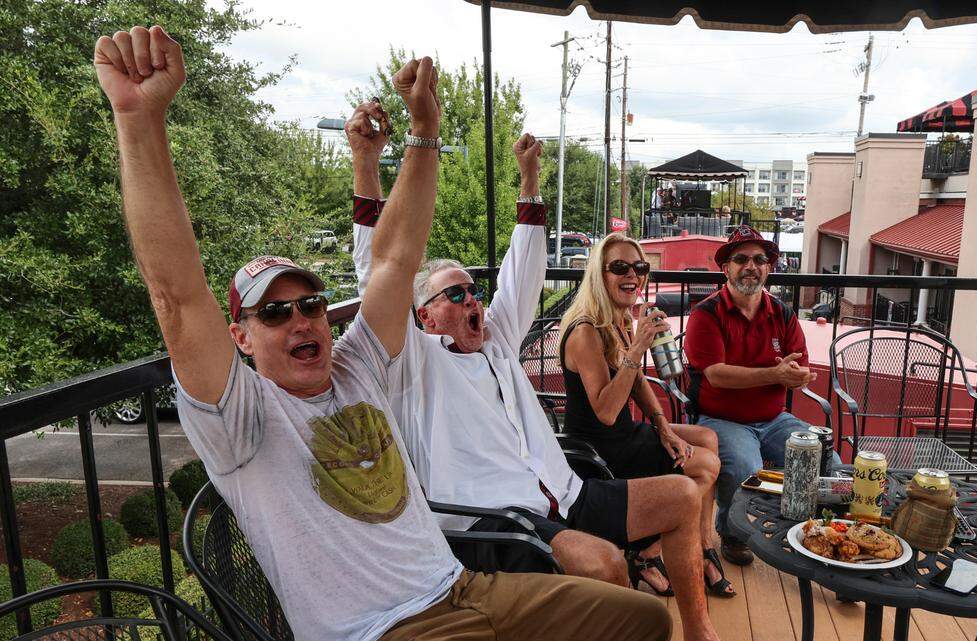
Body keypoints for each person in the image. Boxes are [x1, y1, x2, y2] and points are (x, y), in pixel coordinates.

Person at [94, 25, 671, 641]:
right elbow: (176, 296)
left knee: (640, 620)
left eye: (311, 304)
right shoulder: (240, 415)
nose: (301, 320)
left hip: (462, 587)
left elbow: (395, 260)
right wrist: (138, 118)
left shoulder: (357, 366)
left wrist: (426, 131)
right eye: (274, 313)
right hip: (384, 629)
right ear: (240, 337)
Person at [351, 120, 721, 641]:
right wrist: (365, 165)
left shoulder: (495, 340)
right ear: (423, 317)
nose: (472, 300)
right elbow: (377, 278)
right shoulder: (414, 363)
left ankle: (701, 633)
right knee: (604, 565)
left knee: (684, 494)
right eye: (454, 296)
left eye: (472, 289)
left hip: (560, 491)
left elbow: (522, 277)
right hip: (494, 520)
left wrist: (530, 181)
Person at [559, 232, 735, 598]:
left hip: (625, 434)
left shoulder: (619, 320)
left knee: (707, 438)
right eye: (620, 267)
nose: (633, 275)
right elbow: (607, 412)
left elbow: (637, 381)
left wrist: (662, 427)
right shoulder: (586, 332)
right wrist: (637, 346)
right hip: (598, 449)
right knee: (705, 465)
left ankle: (698, 544)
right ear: (599, 274)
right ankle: (650, 551)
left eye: (639, 267)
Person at [683, 225, 838, 566]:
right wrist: (775, 375)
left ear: (769, 268)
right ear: (726, 268)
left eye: (759, 259)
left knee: (827, 460)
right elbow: (717, 376)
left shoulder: (781, 312)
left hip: (774, 419)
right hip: (721, 418)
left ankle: (825, 535)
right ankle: (733, 533)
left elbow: (799, 366)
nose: (750, 266)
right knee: (745, 467)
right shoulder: (705, 314)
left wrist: (797, 378)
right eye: (741, 259)